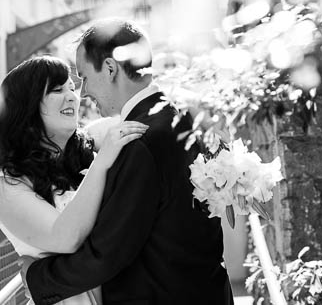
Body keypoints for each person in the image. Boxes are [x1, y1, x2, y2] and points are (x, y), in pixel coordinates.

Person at [24, 18, 234, 305]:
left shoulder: (139, 140)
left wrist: (38, 278)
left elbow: (108, 251)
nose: (82, 92)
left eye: (84, 77)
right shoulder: (185, 118)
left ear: (110, 68)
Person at [0, 55, 149, 305]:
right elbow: (66, 237)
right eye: (57, 89)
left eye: (72, 88)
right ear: (26, 105)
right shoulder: (6, 185)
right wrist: (101, 163)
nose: (73, 96)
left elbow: (143, 114)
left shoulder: (89, 143)